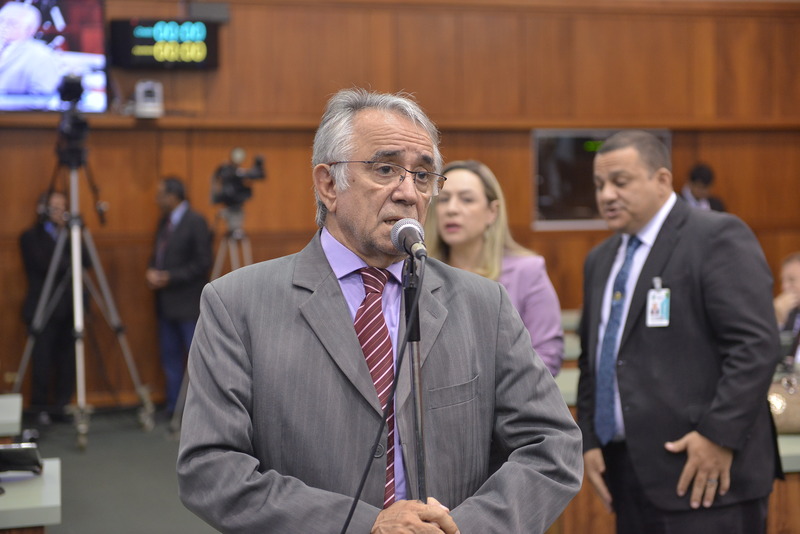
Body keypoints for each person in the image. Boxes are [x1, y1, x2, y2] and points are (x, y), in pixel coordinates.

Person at [177, 88, 582, 533]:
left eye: (423, 175)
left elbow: (553, 445)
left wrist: (463, 528)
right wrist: (365, 526)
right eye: (385, 169)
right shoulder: (237, 303)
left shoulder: (484, 304)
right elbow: (211, 469)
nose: (408, 192)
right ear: (328, 185)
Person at [577, 130, 781, 534]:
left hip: (708, 475)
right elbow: (595, 357)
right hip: (627, 475)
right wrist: (591, 439)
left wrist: (718, 437)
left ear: (662, 180)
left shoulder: (715, 236)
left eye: (620, 181)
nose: (607, 195)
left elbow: (756, 346)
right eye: (599, 185)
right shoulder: (600, 259)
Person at [423, 159, 564, 376]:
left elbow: (547, 356)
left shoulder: (527, 272)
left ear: (492, 211)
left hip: (507, 396)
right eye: (443, 199)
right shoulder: (420, 272)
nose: (451, 209)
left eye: (466, 199)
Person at [146, 177, 212, 416]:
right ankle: (174, 407)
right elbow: (158, 254)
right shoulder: (164, 221)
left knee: (196, 360)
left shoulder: (195, 221)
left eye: (161, 194)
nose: (157, 199)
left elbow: (203, 262)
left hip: (188, 305)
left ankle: (199, 411)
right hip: (165, 304)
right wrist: (152, 270)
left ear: (173, 196)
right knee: (170, 358)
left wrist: (170, 277)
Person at [19, 190, 75, 424]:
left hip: (69, 308)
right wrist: (63, 242)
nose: (60, 211)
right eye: (55, 206)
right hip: (43, 307)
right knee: (42, 361)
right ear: (43, 209)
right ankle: (39, 408)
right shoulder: (30, 237)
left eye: (63, 205)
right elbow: (45, 265)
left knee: (67, 361)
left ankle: (61, 406)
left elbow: (84, 262)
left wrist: (69, 234)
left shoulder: (71, 234)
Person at [0, 1, 62, 95]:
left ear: (30, 30)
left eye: (12, 23)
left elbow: (41, 97)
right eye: (1, 20)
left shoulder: (41, 55)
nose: (3, 27)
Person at [774, 252, 800, 367]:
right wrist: (777, 319)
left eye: (791, 280)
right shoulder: (789, 312)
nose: (784, 287)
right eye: (782, 281)